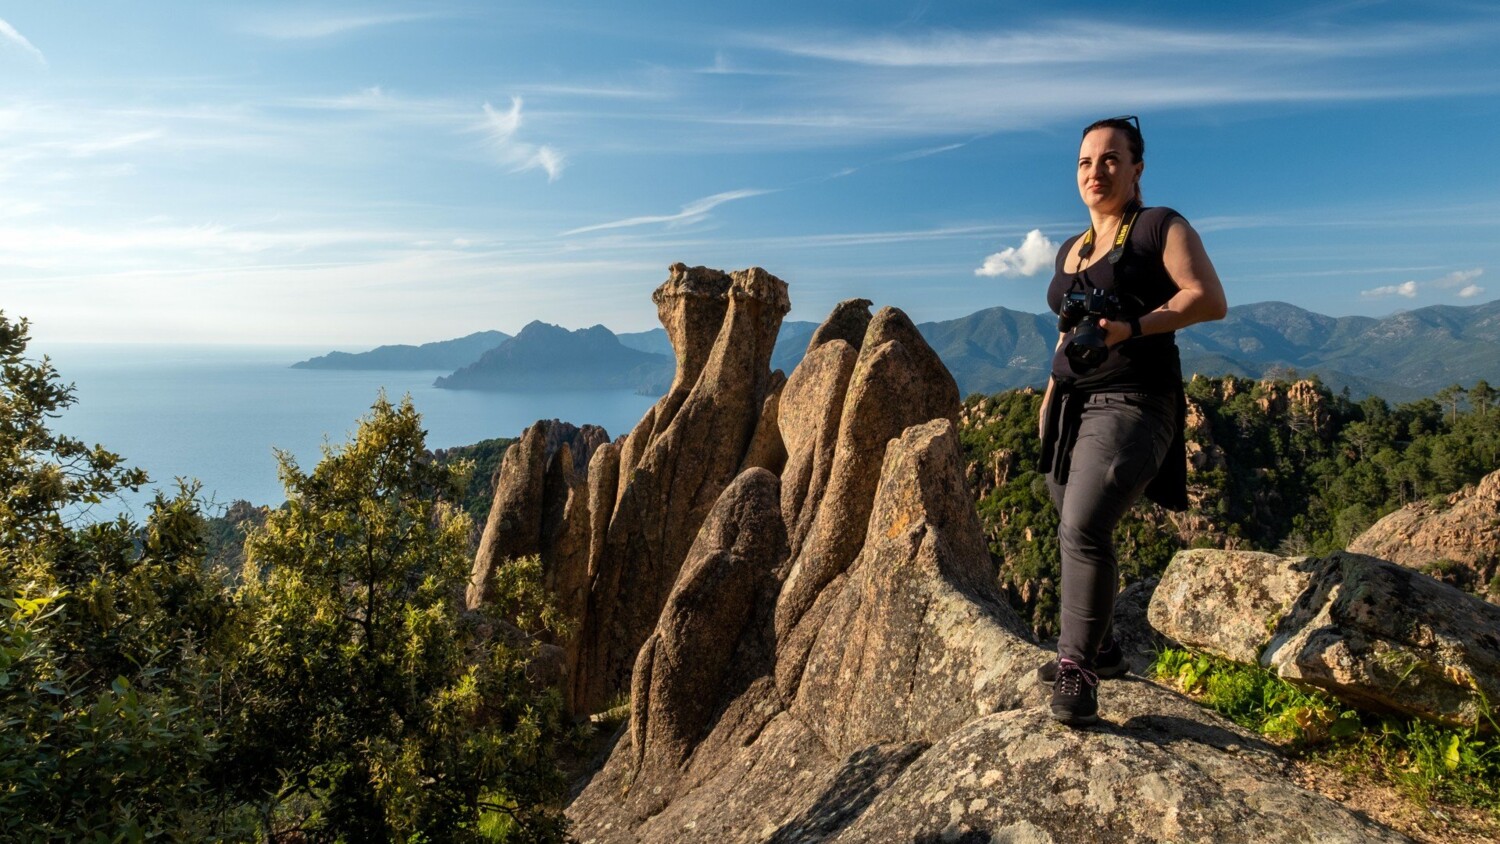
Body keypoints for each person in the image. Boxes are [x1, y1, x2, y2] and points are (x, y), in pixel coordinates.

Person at [1035, 115, 1228, 726]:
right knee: (1071, 516)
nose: (1097, 171)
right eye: (1086, 161)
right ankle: (1105, 647)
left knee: (1086, 522)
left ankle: (1078, 669)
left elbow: (1208, 298)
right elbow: (1066, 328)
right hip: (1072, 403)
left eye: (1111, 159)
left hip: (1136, 399)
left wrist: (1133, 327)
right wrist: (1048, 395)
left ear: (1137, 168)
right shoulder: (1073, 248)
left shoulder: (1158, 226)